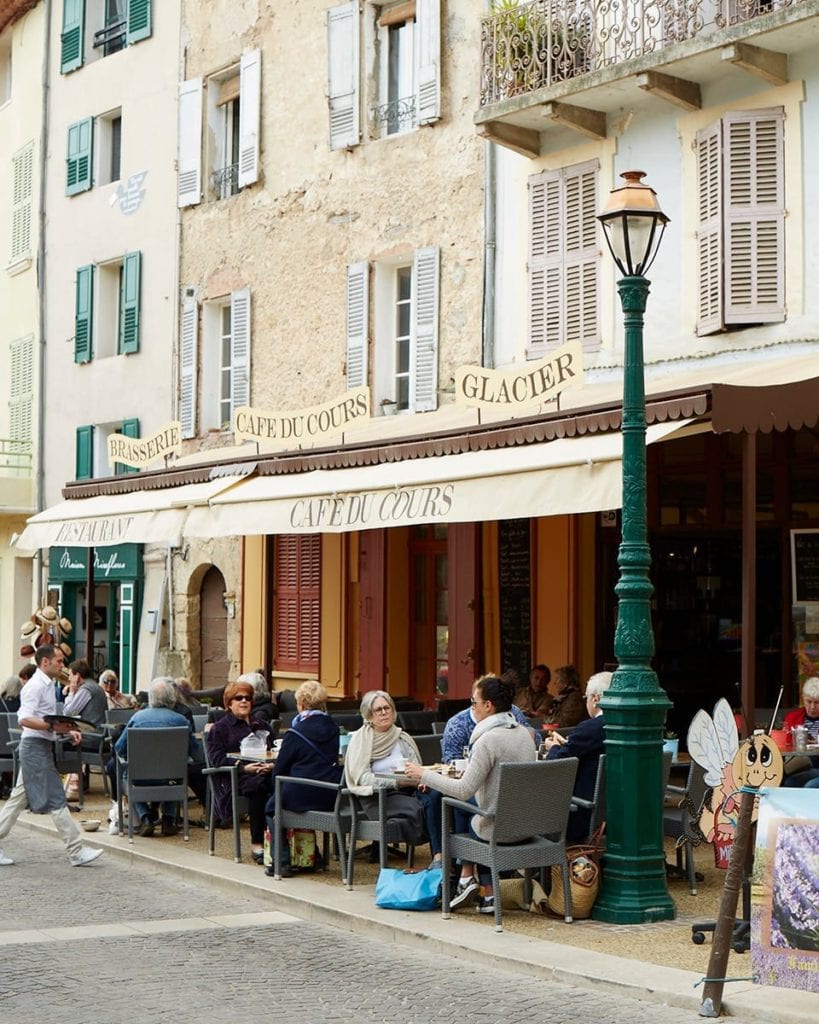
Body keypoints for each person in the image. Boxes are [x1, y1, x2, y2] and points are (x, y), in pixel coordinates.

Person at [405, 674, 537, 915]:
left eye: (474, 702)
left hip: (498, 830)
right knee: (472, 809)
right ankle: (485, 892)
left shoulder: (488, 741)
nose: (471, 707)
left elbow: (463, 788)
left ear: (488, 706)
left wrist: (423, 774)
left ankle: (469, 881)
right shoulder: (523, 735)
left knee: (461, 807)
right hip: (528, 826)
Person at [0, 644, 103, 867]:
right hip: (35, 748)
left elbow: (47, 718)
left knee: (17, 800)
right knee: (57, 798)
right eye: (59, 661)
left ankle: (76, 852)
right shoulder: (35, 686)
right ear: (45, 662)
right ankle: (76, 851)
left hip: (38, 747)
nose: (63, 665)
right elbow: (24, 719)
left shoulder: (46, 684)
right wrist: (55, 728)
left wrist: (68, 729)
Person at [344, 690, 441, 865]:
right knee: (422, 808)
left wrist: (420, 781)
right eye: (378, 710)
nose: (383, 713)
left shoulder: (402, 737)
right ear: (369, 715)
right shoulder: (362, 740)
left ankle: (441, 856)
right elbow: (363, 778)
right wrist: (396, 782)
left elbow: (416, 768)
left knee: (438, 799)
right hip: (378, 797)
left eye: (387, 708)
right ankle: (439, 857)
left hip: (409, 789)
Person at [264, 679, 342, 877]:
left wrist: (275, 786)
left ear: (300, 704)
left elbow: (280, 768)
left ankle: (281, 863)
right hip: (330, 792)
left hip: (303, 790)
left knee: (272, 806)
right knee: (283, 795)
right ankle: (312, 857)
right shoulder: (333, 727)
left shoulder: (295, 732)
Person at [113, 676, 204, 837]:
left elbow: (119, 749)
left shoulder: (137, 718)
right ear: (172, 697)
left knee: (127, 775)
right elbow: (195, 753)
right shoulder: (181, 720)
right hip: (172, 779)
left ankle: (146, 817)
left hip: (139, 779)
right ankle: (168, 820)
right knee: (174, 771)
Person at [206, 680, 274, 863]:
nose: (244, 701)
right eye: (239, 698)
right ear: (229, 703)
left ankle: (284, 842)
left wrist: (272, 765)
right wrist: (244, 768)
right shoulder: (220, 729)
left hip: (265, 773)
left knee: (283, 785)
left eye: (248, 698)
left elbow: (274, 751)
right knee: (259, 787)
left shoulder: (262, 726)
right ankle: (257, 843)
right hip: (234, 778)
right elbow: (217, 759)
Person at [542, 671, 612, 842]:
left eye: (586, 697)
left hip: (583, 816)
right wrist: (565, 746)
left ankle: (542, 868)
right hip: (618, 814)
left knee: (536, 819)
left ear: (595, 699)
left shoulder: (591, 728)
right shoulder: (625, 726)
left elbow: (558, 765)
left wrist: (554, 748)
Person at [441, 693, 533, 764]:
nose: (473, 706)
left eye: (475, 702)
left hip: (513, 777)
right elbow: (453, 762)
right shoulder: (457, 725)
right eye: (472, 701)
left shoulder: (512, 712)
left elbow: (535, 739)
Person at [782, 677, 819, 788]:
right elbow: (786, 744)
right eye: (809, 701)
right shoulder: (793, 717)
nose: (812, 707)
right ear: (803, 699)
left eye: (817, 702)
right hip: (801, 765)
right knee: (788, 782)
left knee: (810, 786)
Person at [63, 660, 107, 728]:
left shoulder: (86, 689)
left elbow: (69, 714)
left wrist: (71, 693)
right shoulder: (93, 685)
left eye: (70, 675)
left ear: (77, 675)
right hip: (96, 730)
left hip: (89, 733)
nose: (69, 678)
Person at [544, 664, 586, 729]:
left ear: (566, 682)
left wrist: (544, 718)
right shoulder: (563, 697)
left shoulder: (574, 698)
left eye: (557, 679)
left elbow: (565, 722)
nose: (555, 682)